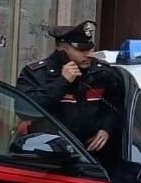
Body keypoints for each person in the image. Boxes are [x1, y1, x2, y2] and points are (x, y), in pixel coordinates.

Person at [16, 20, 124, 163]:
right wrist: (63, 82)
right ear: (61, 48)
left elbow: (115, 104)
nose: (89, 54)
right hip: (49, 155)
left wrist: (106, 128)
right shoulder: (36, 74)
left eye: (90, 48)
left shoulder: (101, 72)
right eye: (81, 50)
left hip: (92, 156)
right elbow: (25, 109)